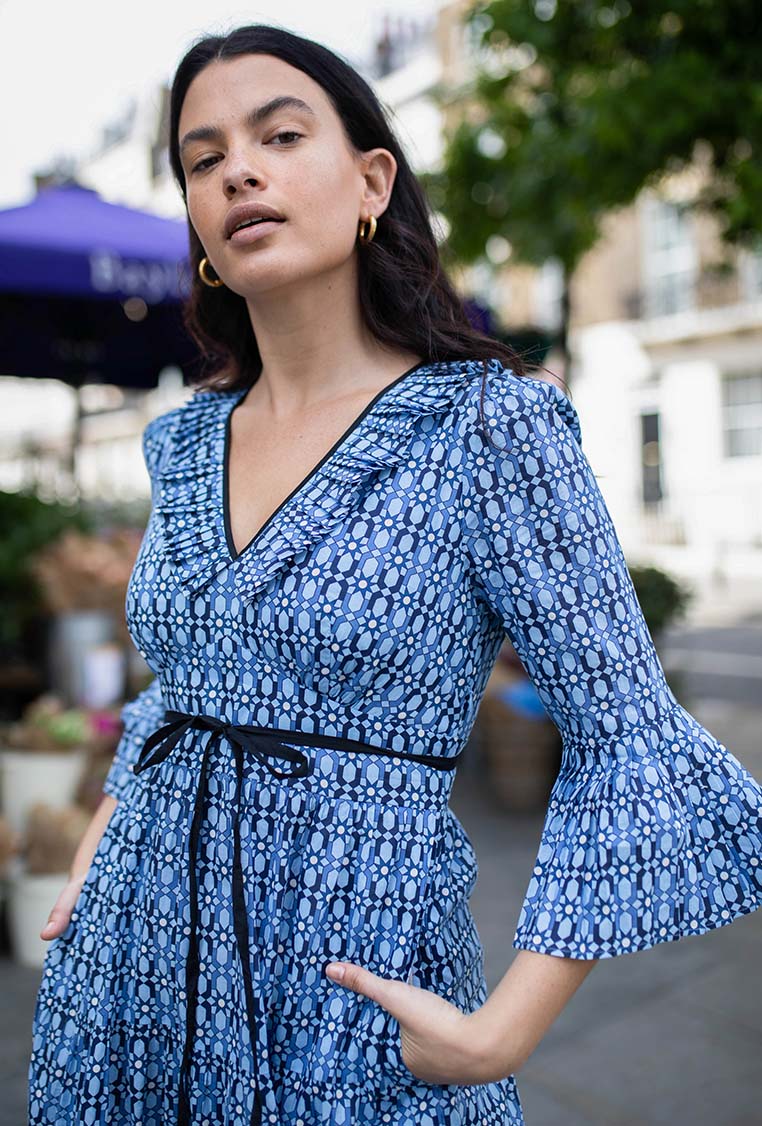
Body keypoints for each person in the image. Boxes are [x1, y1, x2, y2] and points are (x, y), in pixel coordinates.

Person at [28, 23, 762, 1126]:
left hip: (350, 978)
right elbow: (182, 687)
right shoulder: (183, 439)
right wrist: (102, 841)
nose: (238, 171)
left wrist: (504, 1029)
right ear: (198, 223)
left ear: (372, 181)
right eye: (202, 157)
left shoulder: (488, 425)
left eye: (280, 136)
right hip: (127, 961)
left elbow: (631, 742)